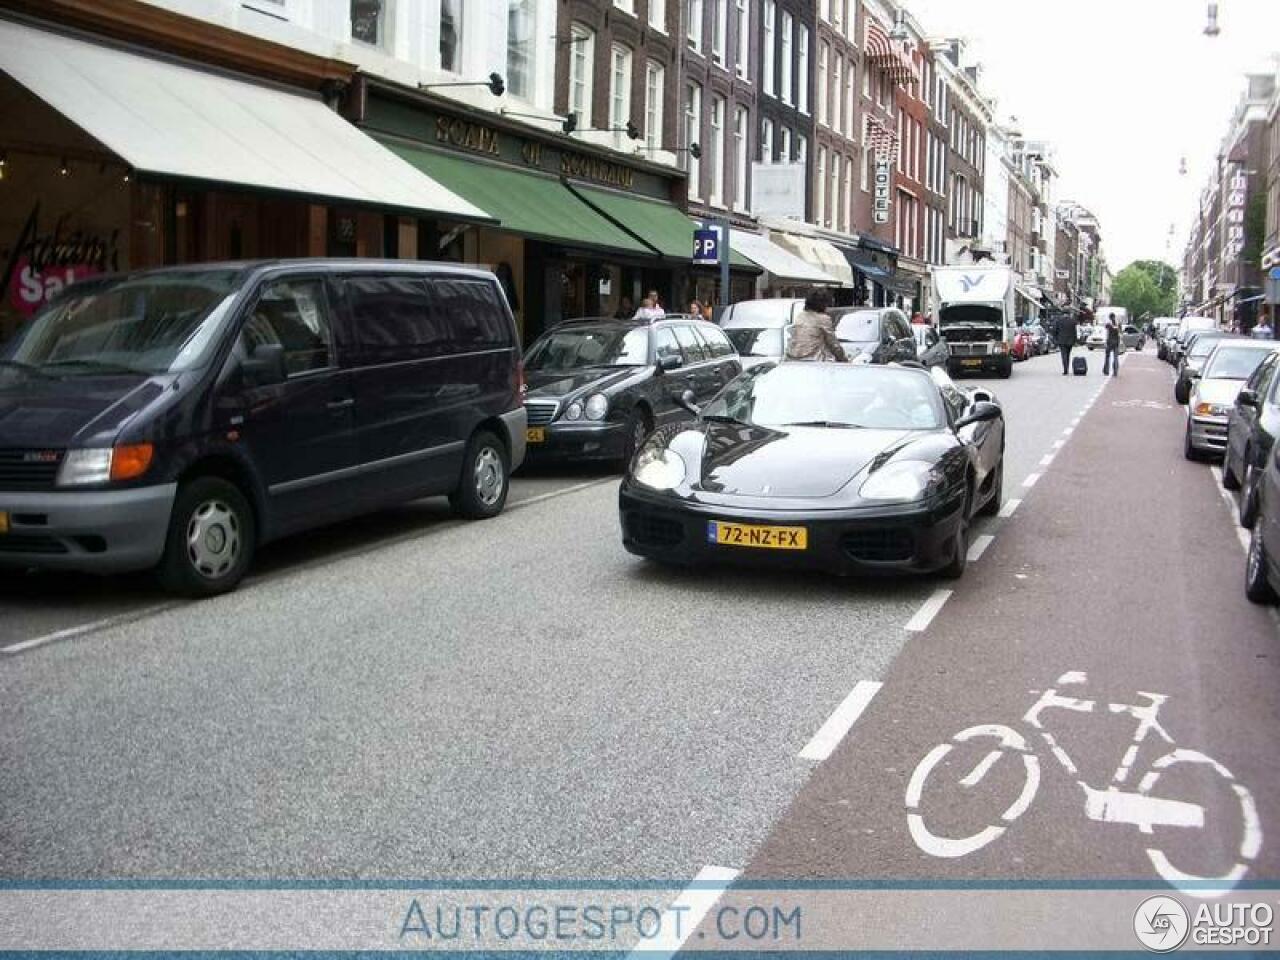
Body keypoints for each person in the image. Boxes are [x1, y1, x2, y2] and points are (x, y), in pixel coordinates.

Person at [784, 288, 848, 362]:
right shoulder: (823, 319)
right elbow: (833, 344)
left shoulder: (800, 316)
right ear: (823, 304)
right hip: (814, 361)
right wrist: (844, 359)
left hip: (793, 358)